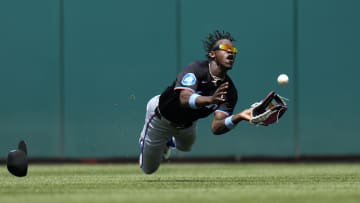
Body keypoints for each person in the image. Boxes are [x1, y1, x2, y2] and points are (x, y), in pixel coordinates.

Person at [138, 30, 252, 174]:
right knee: (149, 169)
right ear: (212, 54)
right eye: (226, 49)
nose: (231, 53)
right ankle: (147, 140)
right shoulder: (197, 69)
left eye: (233, 50)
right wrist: (210, 99)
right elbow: (184, 99)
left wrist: (239, 117)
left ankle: (169, 141)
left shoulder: (230, 91)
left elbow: (216, 127)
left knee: (185, 147)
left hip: (188, 124)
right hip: (161, 116)